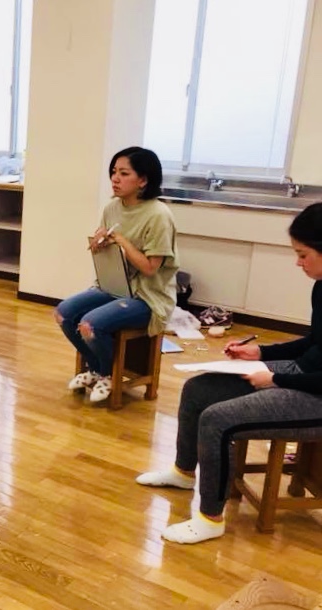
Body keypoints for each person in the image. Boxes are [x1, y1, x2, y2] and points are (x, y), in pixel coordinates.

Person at [137, 202, 322, 544]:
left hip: (315, 394)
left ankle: (210, 518)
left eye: (303, 255)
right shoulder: (321, 285)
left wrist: (275, 379)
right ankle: (183, 472)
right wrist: (261, 353)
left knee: (217, 419)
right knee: (198, 390)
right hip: (302, 374)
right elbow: (315, 343)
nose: (298, 263)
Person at [55, 146, 178, 403]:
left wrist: (121, 241)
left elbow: (150, 268)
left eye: (124, 173)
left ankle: (107, 374)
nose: (115, 179)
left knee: (89, 324)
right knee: (63, 313)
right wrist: (100, 244)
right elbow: (109, 251)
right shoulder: (112, 208)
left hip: (148, 296)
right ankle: (97, 369)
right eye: (113, 172)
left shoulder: (159, 215)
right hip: (114, 286)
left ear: (143, 180)